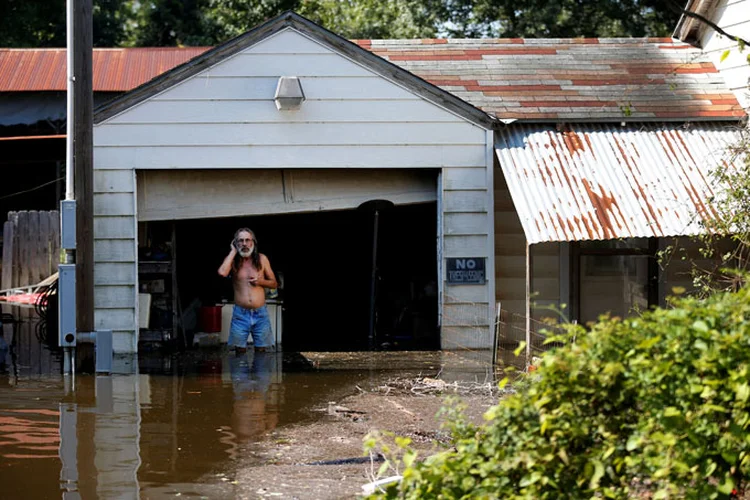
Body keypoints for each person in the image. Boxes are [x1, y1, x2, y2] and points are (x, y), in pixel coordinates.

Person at [218, 228, 278, 352]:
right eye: (240, 241)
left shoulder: (262, 259)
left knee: (261, 352)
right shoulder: (233, 262)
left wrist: (260, 282)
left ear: (253, 243)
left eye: (247, 240)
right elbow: (222, 272)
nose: (244, 244)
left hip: (260, 313)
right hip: (240, 314)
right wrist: (233, 251)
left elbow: (274, 284)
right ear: (235, 243)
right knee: (239, 352)